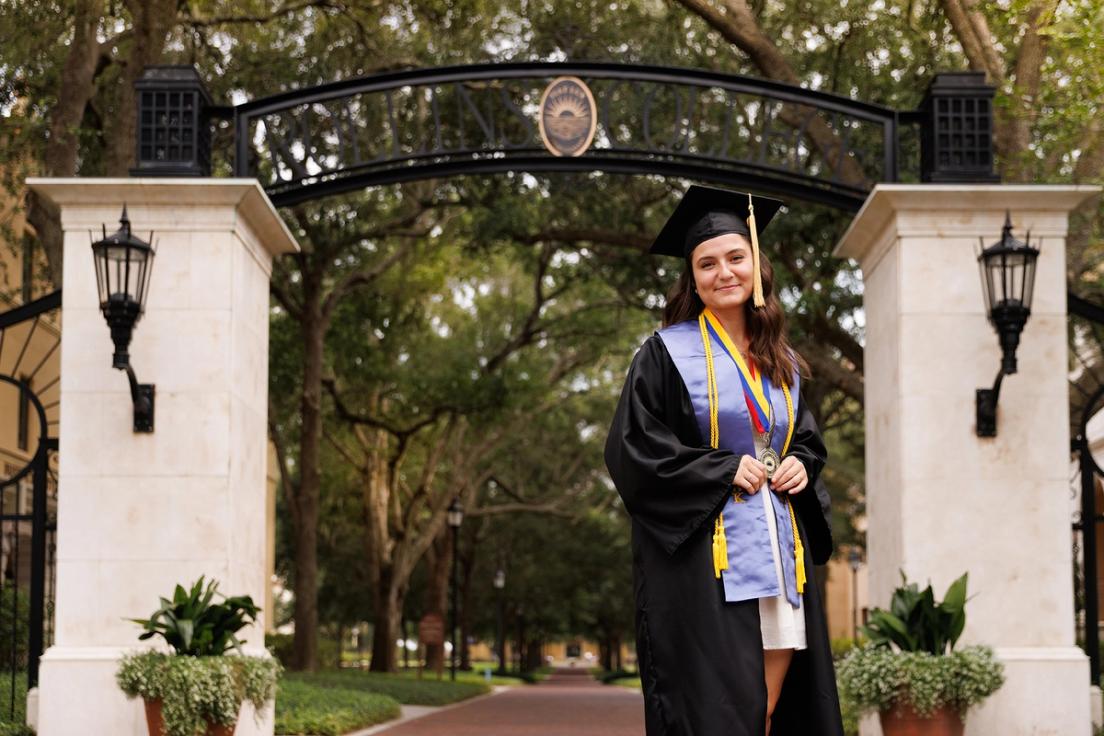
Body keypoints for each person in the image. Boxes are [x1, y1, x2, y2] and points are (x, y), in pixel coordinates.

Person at [604, 185, 844, 736]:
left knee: (764, 712)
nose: (724, 272)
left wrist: (801, 466)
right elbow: (633, 448)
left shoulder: (783, 362)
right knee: (719, 712)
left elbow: (805, 440)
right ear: (693, 279)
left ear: (757, 264)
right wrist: (720, 468)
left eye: (736, 258)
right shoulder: (665, 354)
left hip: (780, 556)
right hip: (710, 566)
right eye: (707, 264)